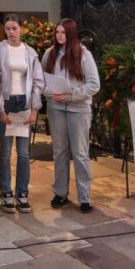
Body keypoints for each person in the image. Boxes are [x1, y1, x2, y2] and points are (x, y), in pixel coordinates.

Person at [40, 18, 100, 213]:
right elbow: (40, 81)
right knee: (60, 152)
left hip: (78, 110)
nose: (59, 35)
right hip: (56, 108)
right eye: (57, 32)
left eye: (63, 33)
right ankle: (60, 193)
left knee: (80, 153)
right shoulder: (49, 54)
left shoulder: (84, 55)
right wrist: (51, 93)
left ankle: (84, 197)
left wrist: (70, 95)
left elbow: (94, 84)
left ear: (71, 34)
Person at [0, 14, 44, 213]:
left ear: (21, 29)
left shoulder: (30, 52)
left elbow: (38, 82)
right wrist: (0, 109)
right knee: (5, 152)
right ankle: (6, 193)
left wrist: (35, 109)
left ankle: (22, 192)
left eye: (14, 28)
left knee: (24, 153)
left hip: (24, 104)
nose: (11, 32)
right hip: (8, 103)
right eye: (8, 28)